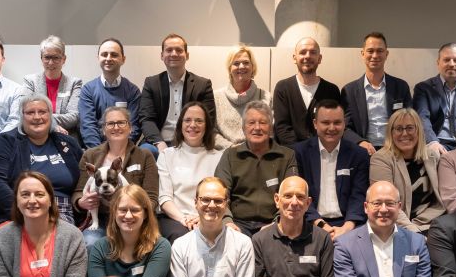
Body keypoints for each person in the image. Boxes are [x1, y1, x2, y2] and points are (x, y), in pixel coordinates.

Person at [0, 95, 84, 229]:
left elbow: (84, 179)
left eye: (42, 112)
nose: (37, 117)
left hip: (62, 211)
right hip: (15, 211)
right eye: (30, 112)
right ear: (22, 117)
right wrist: (20, 210)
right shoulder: (7, 141)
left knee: (57, 235)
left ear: (50, 115)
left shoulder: (67, 142)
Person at [72, 105, 159, 243]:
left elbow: (152, 197)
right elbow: (78, 192)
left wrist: (137, 212)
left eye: (121, 122)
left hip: (134, 218)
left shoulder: (144, 155)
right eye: (111, 123)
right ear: (103, 129)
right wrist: (82, 202)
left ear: (130, 128)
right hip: (101, 220)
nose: (116, 127)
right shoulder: (90, 155)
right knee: (90, 242)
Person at [212, 101, 298, 236]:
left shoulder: (287, 156)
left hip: (274, 223)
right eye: (251, 123)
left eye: (263, 123)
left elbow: (291, 195)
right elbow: (219, 193)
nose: (257, 128)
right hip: (236, 223)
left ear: (271, 128)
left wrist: (277, 222)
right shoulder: (230, 155)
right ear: (243, 128)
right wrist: (227, 221)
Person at [293, 98, 369, 239]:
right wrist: (321, 225)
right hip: (310, 223)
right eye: (326, 123)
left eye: (337, 122)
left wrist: (347, 227)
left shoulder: (358, 155)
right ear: (315, 124)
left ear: (344, 124)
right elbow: (299, 194)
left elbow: (358, 195)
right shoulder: (299, 153)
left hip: (349, 224)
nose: (332, 128)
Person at [155, 101, 223, 243]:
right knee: (183, 237)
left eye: (199, 121)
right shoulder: (167, 155)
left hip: (209, 216)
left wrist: (201, 218)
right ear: (180, 124)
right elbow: (165, 199)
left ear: (207, 126)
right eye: (187, 120)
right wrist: (184, 219)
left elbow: (222, 197)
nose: (193, 125)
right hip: (174, 218)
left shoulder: (219, 157)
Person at [137, 33, 216, 153]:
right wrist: (160, 144)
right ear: (162, 55)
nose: (174, 54)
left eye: (179, 50)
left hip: (190, 142)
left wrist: (187, 144)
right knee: (145, 151)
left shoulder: (203, 85)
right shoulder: (151, 83)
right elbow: (146, 119)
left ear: (187, 55)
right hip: (158, 144)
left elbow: (209, 119)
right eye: (169, 50)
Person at [368, 107, 443, 233]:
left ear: (418, 130)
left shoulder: (432, 156)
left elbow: (441, 200)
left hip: (432, 223)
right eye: (398, 129)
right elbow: (386, 203)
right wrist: (414, 232)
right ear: (391, 133)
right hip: (398, 226)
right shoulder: (381, 159)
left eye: (410, 128)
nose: (404, 134)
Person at [342, 32, 412, 155]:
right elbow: (345, 127)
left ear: (386, 54)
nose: (375, 55)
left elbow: (410, 121)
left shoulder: (401, 87)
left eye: (380, 51)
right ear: (363, 54)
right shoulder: (349, 91)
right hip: (362, 151)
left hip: (395, 149)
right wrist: (360, 142)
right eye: (370, 51)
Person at [271, 36, 345, 145]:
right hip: (290, 152)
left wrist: (317, 151)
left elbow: (332, 128)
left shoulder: (331, 90)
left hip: (323, 152)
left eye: (313, 52)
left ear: (319, 58)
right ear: (294, 58)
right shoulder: (283, 88)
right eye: (303, 52)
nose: (307, 56)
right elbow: (282, 128)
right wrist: (302, 151)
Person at [78, 38, 142, 148]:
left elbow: (134, 127)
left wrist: (120, 150)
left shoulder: (133, 91)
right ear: (98, 58)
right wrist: (100, 152)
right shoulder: (88, 90)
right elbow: (88, 126)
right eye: (104, 54)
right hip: (96, 150)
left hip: (124, 150)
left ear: (123, 59)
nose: (108, 58)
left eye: (114, 55)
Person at [17, 35, 85, 140]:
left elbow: (74, 117)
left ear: (64, 59)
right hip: (34, 137)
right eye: (47, 57)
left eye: (56, 58)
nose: (51, 62)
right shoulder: (30, 81)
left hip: (65, 137)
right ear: (41, 58)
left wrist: (44, 120)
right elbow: (24, 111)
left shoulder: (74, 83)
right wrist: (53, 126)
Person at [213, 45, 267, 149]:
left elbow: (269, 131)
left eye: (246, 62)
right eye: (236, 63)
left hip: (256, 154)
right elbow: (211, 132)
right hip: (223, 154)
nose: (241, 66)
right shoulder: (216, 97)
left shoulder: (266, 97)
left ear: (253, 67)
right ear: (229, 68)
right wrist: (232, 149)